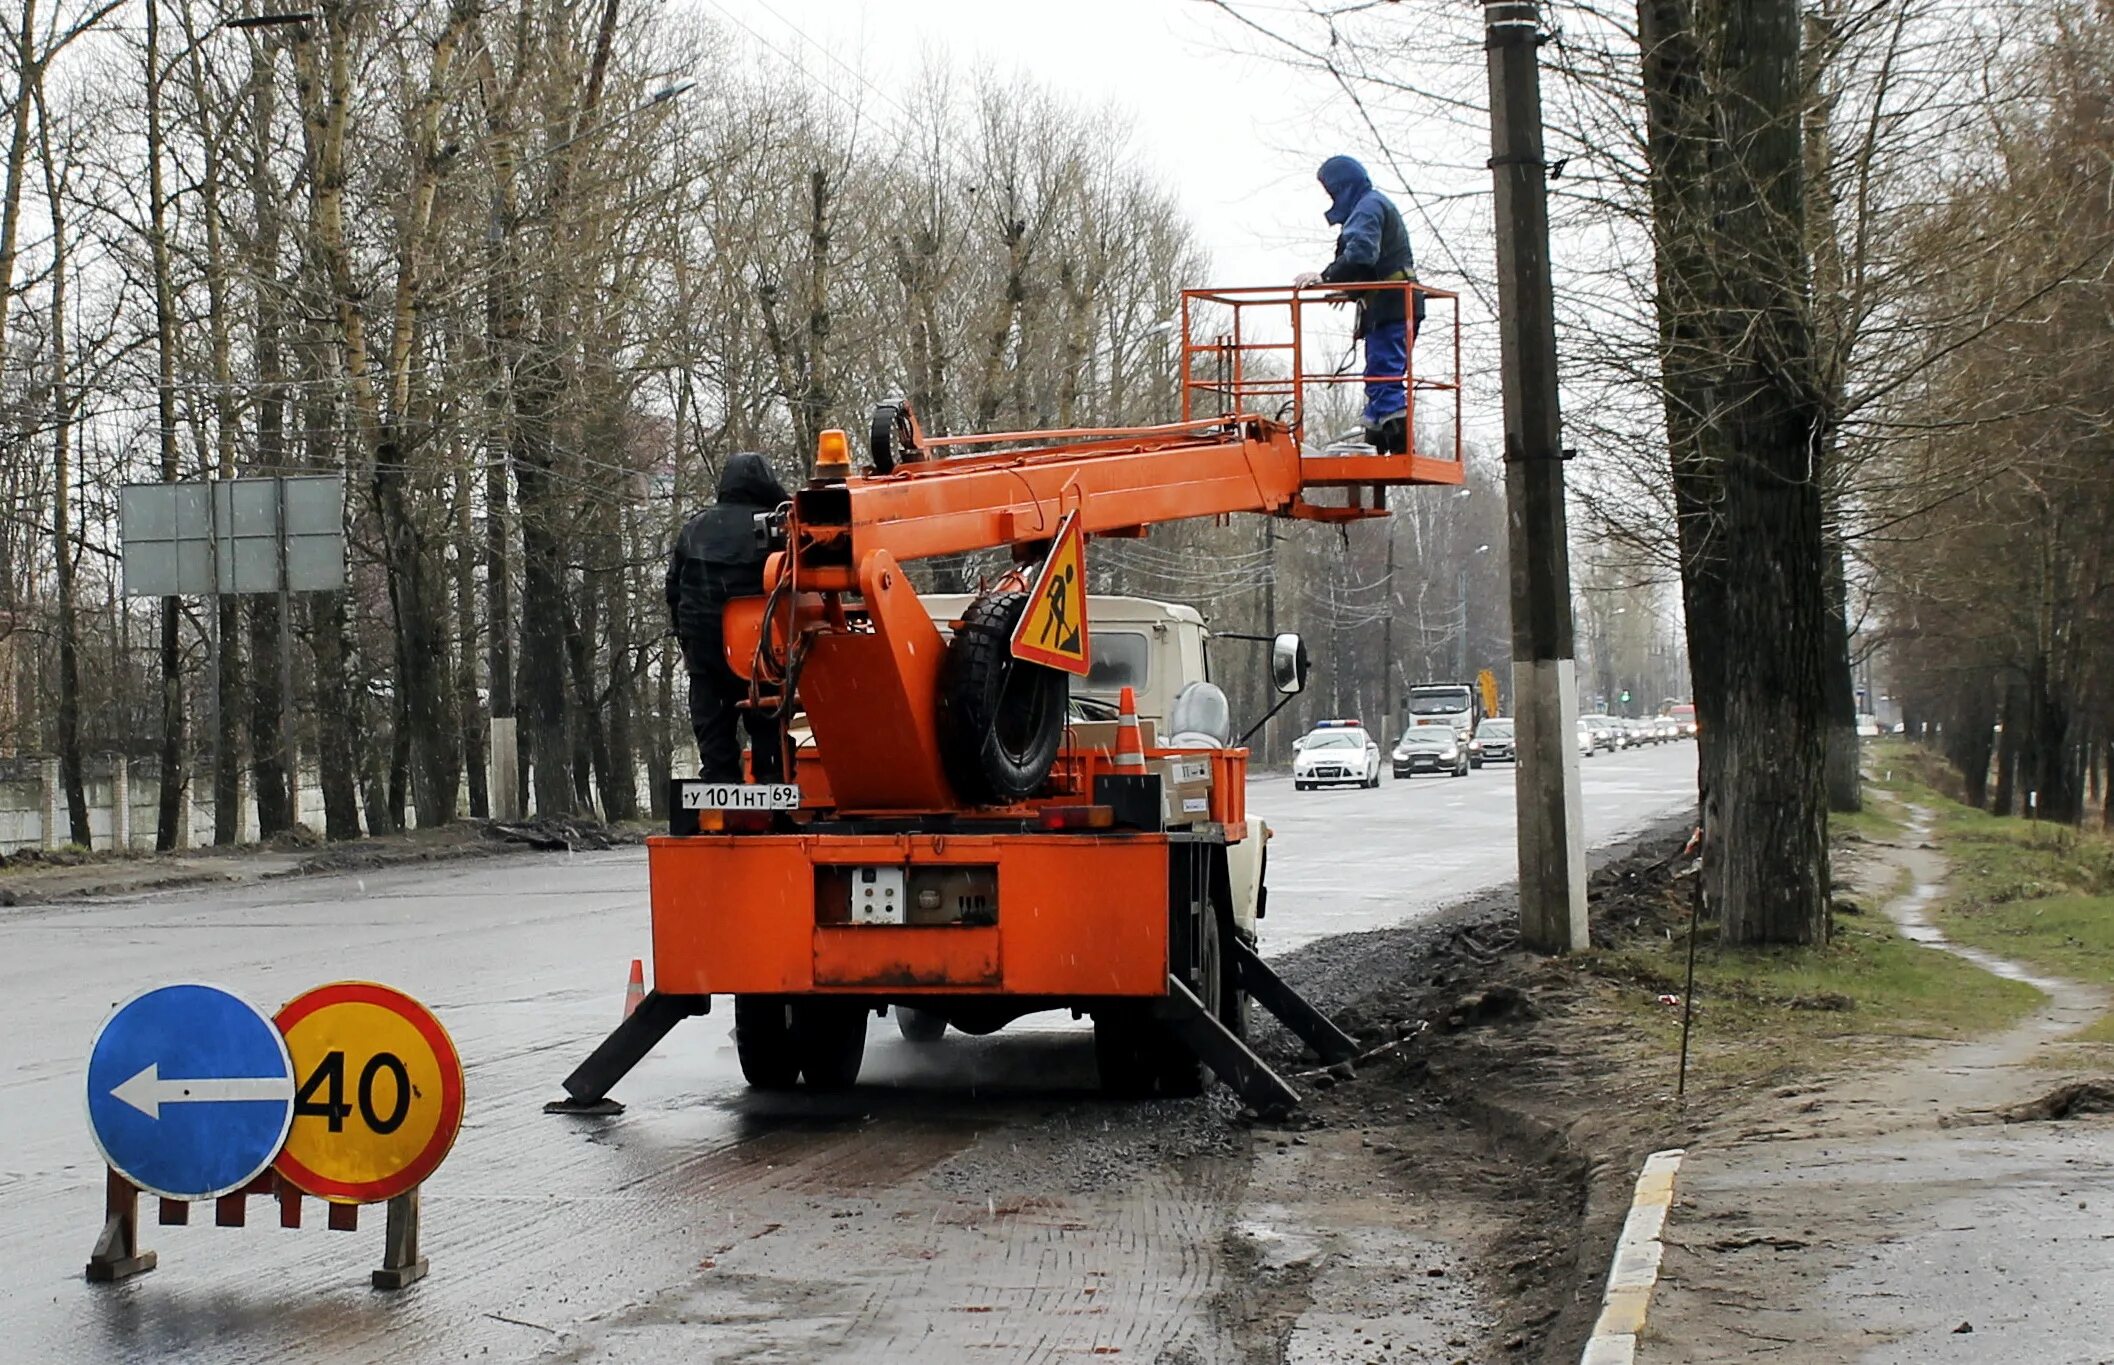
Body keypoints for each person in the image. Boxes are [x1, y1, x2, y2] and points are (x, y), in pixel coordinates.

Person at [667, 452, 792, 782]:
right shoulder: (779, 527)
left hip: (705, 651)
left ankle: (721, 801)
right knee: (769, 731)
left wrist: (688, 638)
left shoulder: (693, 529)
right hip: (761, 653)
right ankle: (773, 797)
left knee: (714, 737)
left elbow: (674, 590)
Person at [1294, 154, 1422, 454]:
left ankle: (1396, 441)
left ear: (1343, 186)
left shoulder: (1367, 209)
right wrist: (1349, 291)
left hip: (1392, 304)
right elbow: (1370, 264)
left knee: (1384, 373)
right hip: (1388, 304)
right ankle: (1378, 436)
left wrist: (1326, 278)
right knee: (1379, 374)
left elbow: (1362, 254)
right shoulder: (1371, 205)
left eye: (1333, 191)